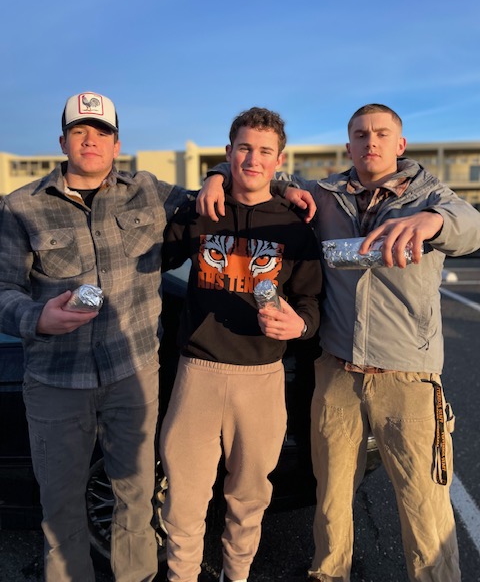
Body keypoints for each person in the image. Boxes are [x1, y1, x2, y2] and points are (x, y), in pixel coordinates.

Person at [198, 103, 480, 582]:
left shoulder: (432, 197)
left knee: (424, 511)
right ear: (348, 145)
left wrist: (432, 222)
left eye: (381, 133)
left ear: (400, 144)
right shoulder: (324, 195)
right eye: (360, 134)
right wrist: (217, 175)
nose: (370, 141)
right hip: (335, 372)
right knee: (329, 504)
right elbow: (259, 170)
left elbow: (470, 227)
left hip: (408, 377)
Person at [0, 91, 198, 582]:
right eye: (80, 131)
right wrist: (35, 318)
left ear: (117, 144)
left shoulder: (148, 191)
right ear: (63, 141)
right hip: (55, 381)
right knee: (61, 505)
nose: (91, 140)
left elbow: (216, 202)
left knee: (136, 498)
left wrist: (220, 175)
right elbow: (2, 288)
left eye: (102, 132)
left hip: (133, 375)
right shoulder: (19, 208)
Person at [160, 107, 323, 582]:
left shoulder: (295, 225)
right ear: (228, 152)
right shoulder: (198, 210)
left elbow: (311, 300)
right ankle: (182, 576)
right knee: (184, 500)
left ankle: (238, 575)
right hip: (198, 373)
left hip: (262, 378)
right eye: (244, 148)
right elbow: (153, 260)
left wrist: (301, 327)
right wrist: (204, 186)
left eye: (264, 151)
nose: (254, 159)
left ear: (279, 159)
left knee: (249, 499)